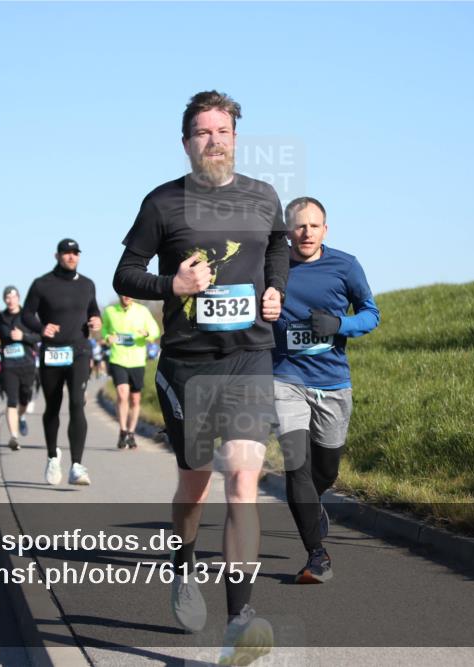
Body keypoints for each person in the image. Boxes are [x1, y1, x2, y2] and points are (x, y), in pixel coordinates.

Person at [113, 90, 288, 664]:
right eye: (203, 133)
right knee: (195, 484)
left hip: (249, 357)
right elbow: (126, 273)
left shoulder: (263, 198)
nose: (214, 141)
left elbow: (278, 249)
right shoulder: (163, 204)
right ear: (186, 142)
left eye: (223, 131)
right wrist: (174, 287)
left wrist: (274, 290)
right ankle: (183, 561)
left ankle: (240, 620)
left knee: (243, 477)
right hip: (188, 363)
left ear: (236, 137)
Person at [272, 197, 379, 584]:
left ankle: (312, 505)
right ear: (287, 230)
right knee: (296, 465)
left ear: (325, 230)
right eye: (299, 226)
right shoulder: (274, 267)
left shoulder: (345, 265)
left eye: (313, 226)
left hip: (333, 382)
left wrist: (338, 324)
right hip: (285, 379)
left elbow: (371, 313)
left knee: (326, 470)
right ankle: (317, 555)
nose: (306, 233)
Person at [22, 238, 102, 486]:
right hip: (53, 352)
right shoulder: (42, 284)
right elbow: (27, 314)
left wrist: (96, 320)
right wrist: (42, 327)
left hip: (79, 350)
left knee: (78, 404)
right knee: (53, 406)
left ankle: (77, 466)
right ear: (57, 256)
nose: (71, 257)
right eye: (66, 253)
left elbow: (93, 310)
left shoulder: (87, 284)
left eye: (75, 253)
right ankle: (52, 456)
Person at [101, 295, 161, 449]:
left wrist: (146, 334)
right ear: (119, 294)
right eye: (123, 293)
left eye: (130, 293)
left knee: (135, 399)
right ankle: (122, 431)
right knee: (122, 393)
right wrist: (108, 337)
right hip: (117, 359)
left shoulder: (143, 311)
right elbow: (104, 330)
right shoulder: (109, 311)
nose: (127, 296)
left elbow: (155, 331)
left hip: (137, 360)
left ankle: (131, 433)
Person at [0, 286, 41, 451]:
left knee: (24, 399)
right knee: (11, 401)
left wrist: (24, 337)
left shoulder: (28, 316)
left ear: (18, 298)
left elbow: (40, 335)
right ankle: (14, 437)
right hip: (9, 365)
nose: (10, 300)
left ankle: (21, 417)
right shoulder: (0, 318)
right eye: (7, 297)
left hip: (27, 364)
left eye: (13, 296)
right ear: (4, 299)